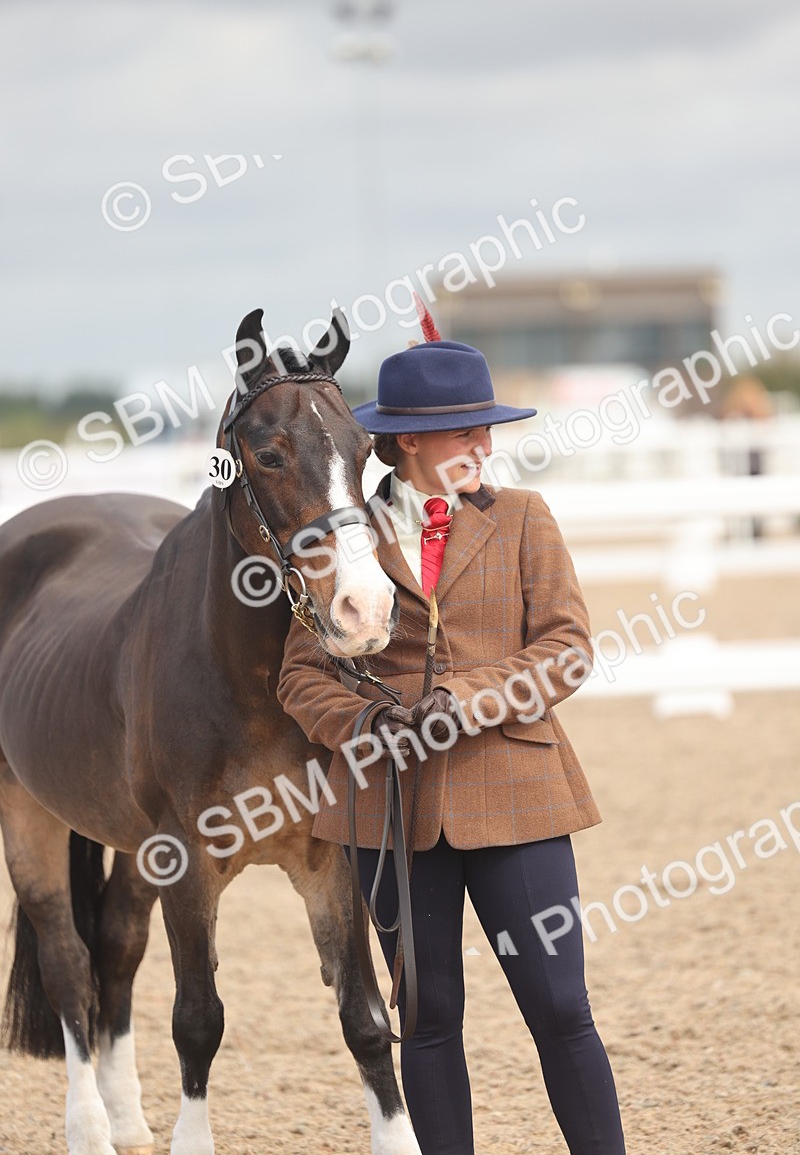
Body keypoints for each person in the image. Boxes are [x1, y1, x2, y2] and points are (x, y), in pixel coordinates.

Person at [277, 305, 627, 1155]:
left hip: (516, 793)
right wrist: (364, 721)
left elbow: (568, 649)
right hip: (389, 807)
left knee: (560, 1009)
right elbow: (298, 674)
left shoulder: (524, 519)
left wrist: (469, 698)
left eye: (486, 424)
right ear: (403, 442)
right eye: (459, 430)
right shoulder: (341, 534)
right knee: (428, 1021)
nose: (481, 441)